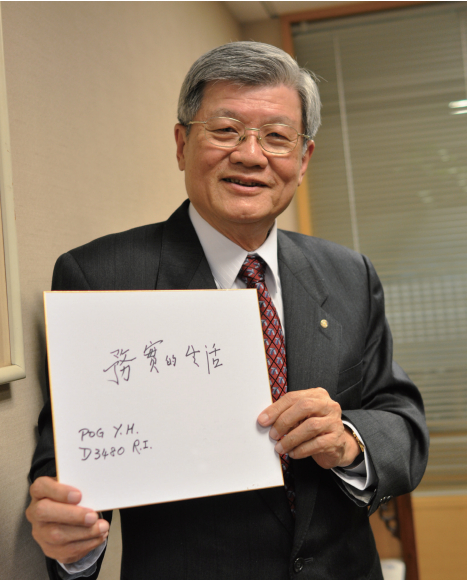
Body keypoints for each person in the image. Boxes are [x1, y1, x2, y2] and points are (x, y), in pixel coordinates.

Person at [26, 41, 429, 580]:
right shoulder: (100, 275)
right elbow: (73, 464)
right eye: (226, 130)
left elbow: (402, 423)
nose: (251, 155)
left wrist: (348, 440)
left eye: (277, 137)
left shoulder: (348, 273)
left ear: (303, 160)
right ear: (181, 144)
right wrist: (70, 540)